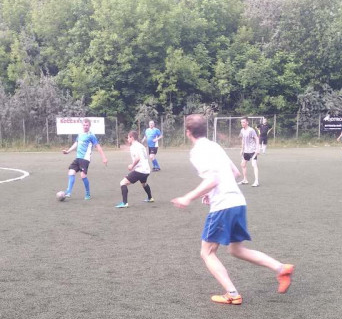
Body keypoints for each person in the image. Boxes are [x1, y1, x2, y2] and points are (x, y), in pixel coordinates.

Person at [171, 114, 294, 305]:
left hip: (223, 206)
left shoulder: (197, 152)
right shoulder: (214, 146)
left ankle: (232, 293)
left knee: (207, 252)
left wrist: (188, 197)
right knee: (236, 250)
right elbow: (235, 173)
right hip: (237, 201)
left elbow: (213, 179)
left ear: (188, 132)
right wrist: (210, 192)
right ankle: (281, 269)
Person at [62, 118, 108, 199]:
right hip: (78, 158)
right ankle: (68, 191)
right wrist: (68, 151)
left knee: (83, 176)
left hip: (85, 159)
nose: (85, 126)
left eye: (87, 125)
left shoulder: (91, 135)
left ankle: (87, 194)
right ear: (82, 125)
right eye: (84, 125)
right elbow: (76, 144)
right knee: (71, 172)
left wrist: (104, 158)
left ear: (89, 126)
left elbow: (98, 147)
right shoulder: (80, 134)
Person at [116, 131, 154, 208]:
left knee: (123, 183)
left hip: (140, 170)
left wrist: (132, 166)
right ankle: (150, 198)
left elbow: (138, 158)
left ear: (132, 138)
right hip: (146, 170)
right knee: (144, 183)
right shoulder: (141, 146)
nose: (127, 139)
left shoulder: (133, 146)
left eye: (128, 137)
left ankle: (125, 203)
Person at [239, 117, 260, 186]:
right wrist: (242, 149)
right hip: (246, 151)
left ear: (247, 122)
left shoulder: (251, 130)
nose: (242, 123)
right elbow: (243, 140)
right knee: (243, 164)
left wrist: (257, 149)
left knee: (254, 164)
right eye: (241, 122)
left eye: (243, 122)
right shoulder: (242, 130)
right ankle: (245, 180)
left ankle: (256, 181)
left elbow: (257, 139)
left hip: (252, 150)